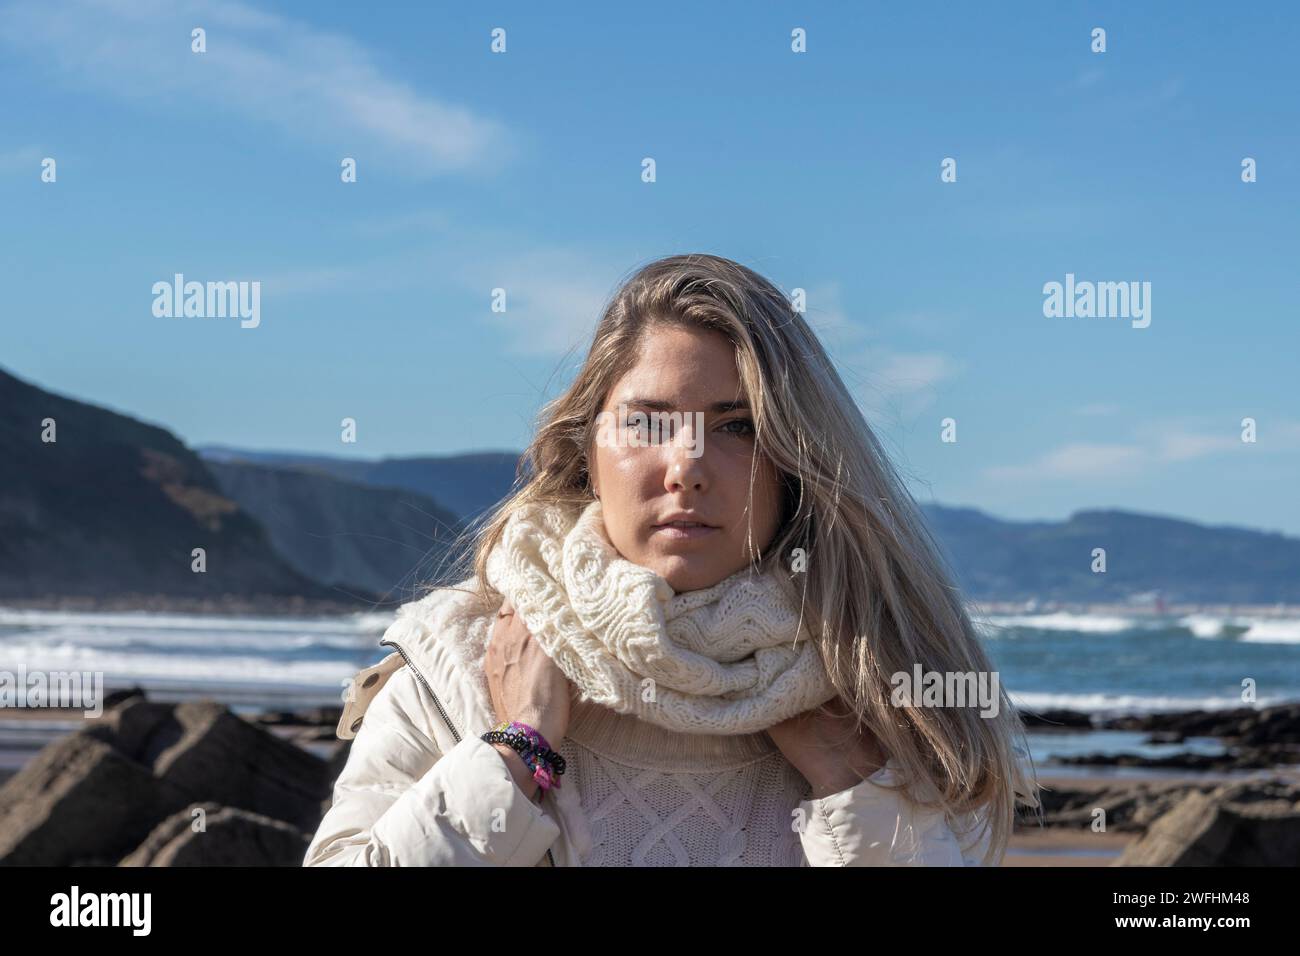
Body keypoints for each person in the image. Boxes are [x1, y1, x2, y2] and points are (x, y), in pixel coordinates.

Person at [303, 253, 1040, 867]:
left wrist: (856, 795)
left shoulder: (887, 687)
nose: (687, 465)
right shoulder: (465, 660)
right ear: (587, 447)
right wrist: (514, 750)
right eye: (649, 422)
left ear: (798, 461)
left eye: (737, 426)